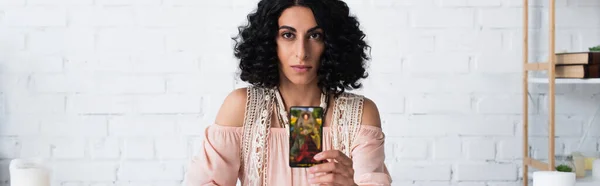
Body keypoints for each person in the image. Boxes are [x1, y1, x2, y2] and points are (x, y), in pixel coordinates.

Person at [183, 0, 391, 185]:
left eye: (315, 35)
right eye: (288, 35)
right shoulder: (242, 107)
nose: (301, 52)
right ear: (269, 41)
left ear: (331, 43)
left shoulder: (361, 113)